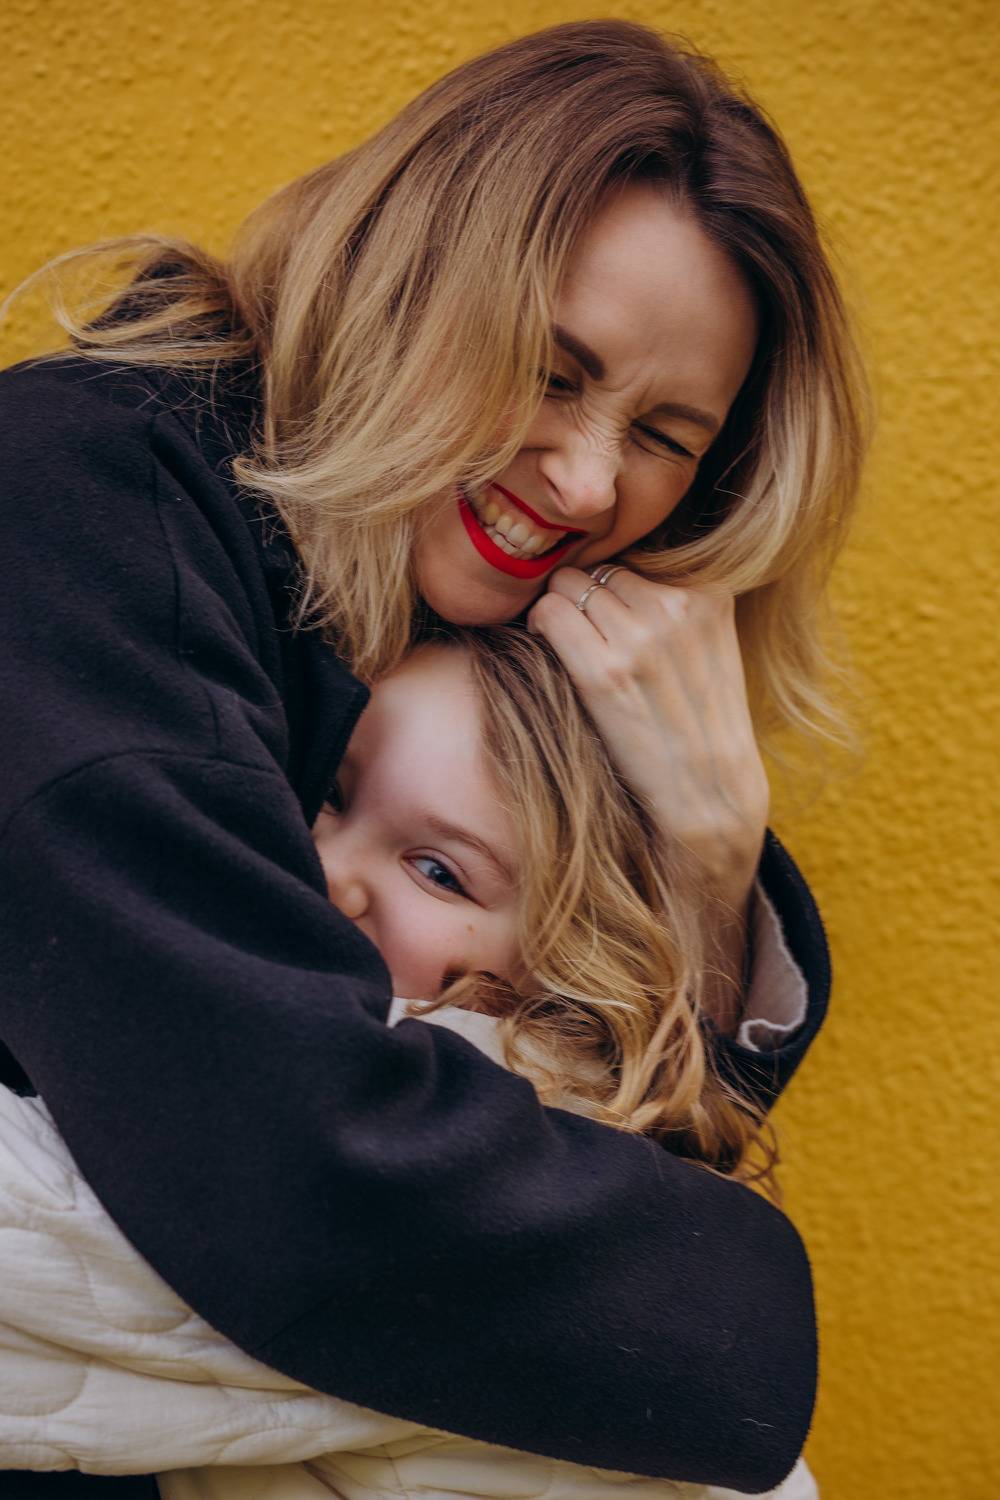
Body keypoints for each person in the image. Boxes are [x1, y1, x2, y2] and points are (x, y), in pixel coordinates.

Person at [0, 18, 867, 1496]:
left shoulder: (420, 610)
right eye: (551, 370)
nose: (586, 482)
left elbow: (543, 1123)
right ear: (409, 276)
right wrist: (739, 1305)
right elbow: (294, 1167)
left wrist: (714, 849)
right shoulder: (84, 505)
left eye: (664, 436)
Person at [0, 628, 816, 1500]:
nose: (326, 871)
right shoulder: (631, 1204)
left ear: (572, 974)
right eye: (332, 793)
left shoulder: (443, 1189)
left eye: (437, 871)